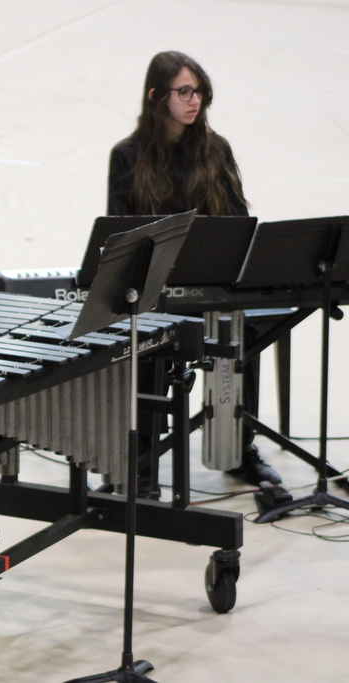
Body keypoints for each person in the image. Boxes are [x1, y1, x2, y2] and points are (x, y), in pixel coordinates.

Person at [107, 50, 280, 487]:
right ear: (155, 96)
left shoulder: (215, 150)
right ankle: (141, 460)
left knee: (248, 329)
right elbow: (121, 237)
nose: (194, 100)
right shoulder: (127, 156)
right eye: (184, 91)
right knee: (144, 341)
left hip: (211, 290)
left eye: (199, 91)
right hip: (156, 297)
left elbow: (240, 225)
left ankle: (239, 445)